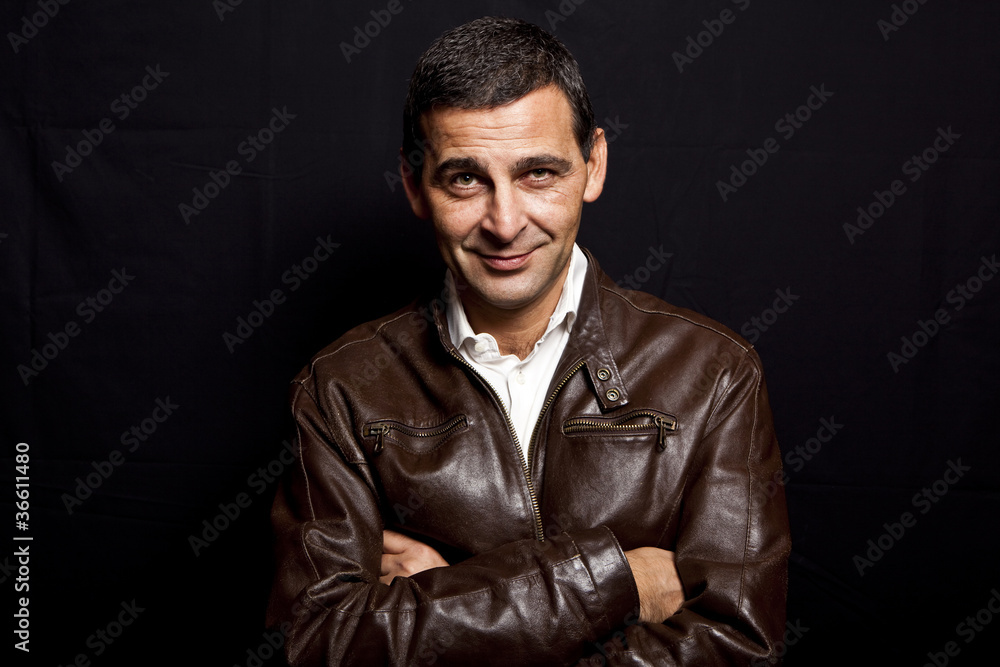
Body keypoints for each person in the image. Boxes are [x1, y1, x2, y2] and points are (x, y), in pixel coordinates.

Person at [267, 16, 790, 666]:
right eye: (465, 179)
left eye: (538, 173)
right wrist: (618, 580)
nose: (505, 222)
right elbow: (317, 642)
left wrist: (446, 602)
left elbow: (739, 648)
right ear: (414, 185)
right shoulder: (340, 389)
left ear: (593, 166)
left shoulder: (714, 373)